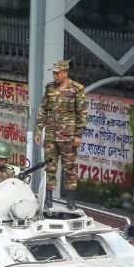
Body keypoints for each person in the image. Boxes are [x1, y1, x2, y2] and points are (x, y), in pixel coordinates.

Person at [34, 59, 88, 207]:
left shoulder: (76, 89)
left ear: (65, 72)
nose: (55, 75)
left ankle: (71, 199)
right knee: (50, 167)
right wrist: (38, 129)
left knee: (69, 168)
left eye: (57, 73)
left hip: (68, 137)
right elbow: (43, 109)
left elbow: (82, 113)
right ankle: (49, 197)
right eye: (54, 73)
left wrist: (78, 135)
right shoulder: (50, 88)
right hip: (51, 136)